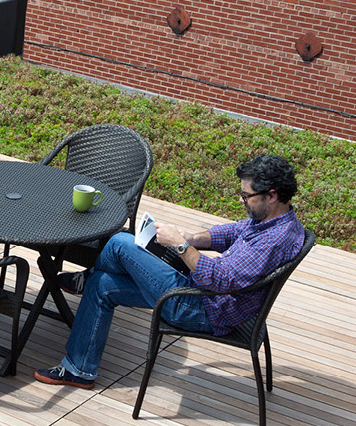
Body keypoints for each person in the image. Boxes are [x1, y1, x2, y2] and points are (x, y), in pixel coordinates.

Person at [33, 153, 307, 390]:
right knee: (102, 284)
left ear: (271, 196)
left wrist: (180, 244)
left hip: (201, 309)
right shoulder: (273, 220)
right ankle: (79, 369)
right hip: (205, 295)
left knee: (120, 242)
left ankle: (86, 276)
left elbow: (220, 279)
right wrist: (192, 236)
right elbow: (234, 231)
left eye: (246, 196)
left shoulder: (274, 241)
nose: (241, 201)